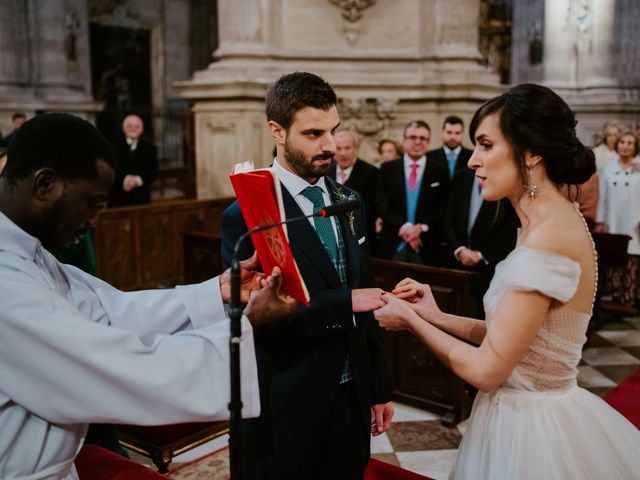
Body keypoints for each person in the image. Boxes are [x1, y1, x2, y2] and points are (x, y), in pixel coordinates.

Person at [0, 113, 296, 480]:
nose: (93, 221)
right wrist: (244, 326)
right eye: (92, 204)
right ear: (45, 183)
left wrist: (217, 293)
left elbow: (110, 312)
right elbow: (111, 364)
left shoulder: (28, 253)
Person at [374, 84, 640, 479]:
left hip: (532, 431)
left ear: (531, 152)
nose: (472, 161)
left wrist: (410, 321)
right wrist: (434, 315)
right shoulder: (547, 223)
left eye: (485, 145)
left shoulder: (548, 236)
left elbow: (487, 370)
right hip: (522, 411)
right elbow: (517, 340)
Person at [220, 72, 393, 480]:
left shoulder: (349, 199)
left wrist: (378, 386)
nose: (330, 145)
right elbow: (255, 318)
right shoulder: (247, 212)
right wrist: (343, 302)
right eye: (314, 133)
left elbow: (362, 288)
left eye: (333, 130)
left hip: (351, 393)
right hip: (286, 395)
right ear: (277, 131)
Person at [443, 167, 519, 318]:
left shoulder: (506, 181)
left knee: (483, 316)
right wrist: (459, 249)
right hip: (456, 263)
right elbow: (448, 215)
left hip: (490, 266)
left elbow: (510, 228)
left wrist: (481, 255)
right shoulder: (461, 177)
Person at [375, 120, 450, 265]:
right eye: (413, 137)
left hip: (426, 246)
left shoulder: (440, 170)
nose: (418, 142)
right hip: (392, 244)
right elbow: (381, 204)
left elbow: (443, 207)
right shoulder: (387, 169)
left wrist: (421, 228)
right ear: (404, 140)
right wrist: (407, 229)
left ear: (428, 142)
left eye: (422, 138)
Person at [330, 130, 379, 250]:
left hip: (359, 238)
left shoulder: (371, 173)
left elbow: (371, 211)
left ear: (356, 148)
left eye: (347, 148)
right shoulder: (326, 171)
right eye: (339, 148)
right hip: (332, 238)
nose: (343, 153)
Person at [595, 131, 640, 254]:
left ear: (635, 147)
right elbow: (602, 196)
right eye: (622, 142)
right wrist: (600, 220)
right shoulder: (608, 168)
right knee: (614, 257)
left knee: (633, 256)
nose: (625, 146)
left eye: (630, 143)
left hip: (635, 221)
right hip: (613, 219)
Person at [108, 114, 159, 207]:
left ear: (142, 129)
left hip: (141, 198)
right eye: (130, 126)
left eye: (136, 126)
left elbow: (153, 172)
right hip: (118, 198)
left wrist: (137, 181)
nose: (133, 129)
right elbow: (110, 170)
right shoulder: (112, 147)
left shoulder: (150, 148)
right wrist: (125, 180)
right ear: (124, 128)